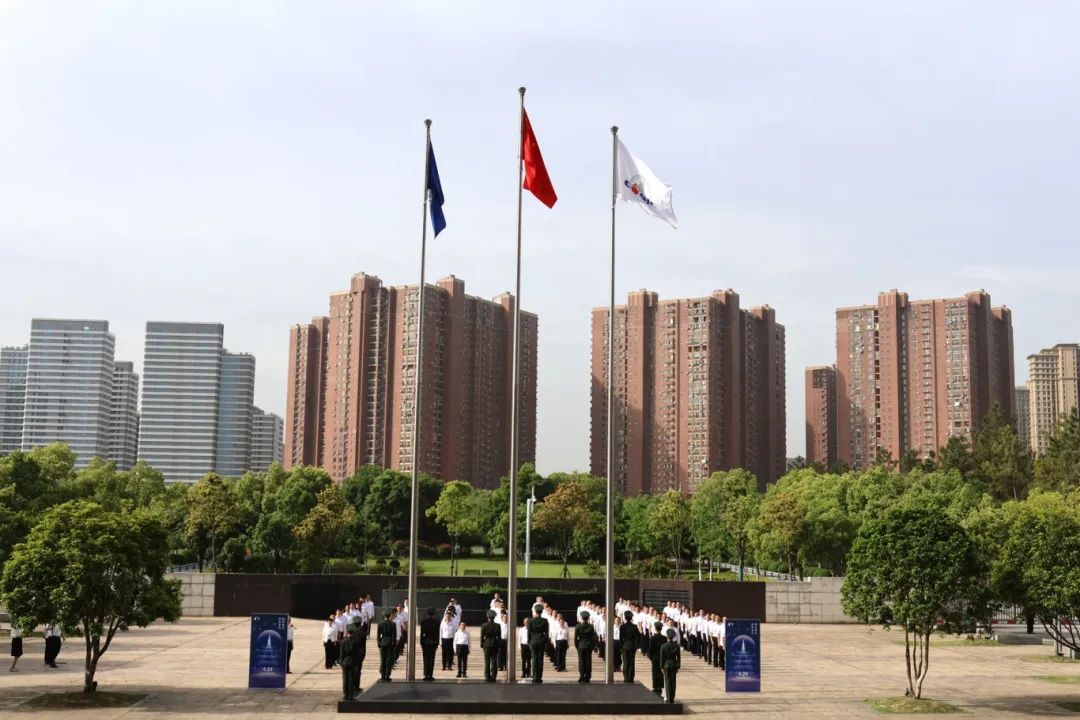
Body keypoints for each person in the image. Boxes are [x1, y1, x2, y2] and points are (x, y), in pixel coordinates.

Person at [339, 619, 361, 701]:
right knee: (351, 678)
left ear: (347, 632)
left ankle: (345, 694)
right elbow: (356, 653)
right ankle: (350, 694)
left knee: (345, 678)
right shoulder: (355, 642)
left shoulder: (343, 641)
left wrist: (341, 662)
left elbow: (341, 653)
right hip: (352, 662)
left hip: (345, 662)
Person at [527, 603, 549, 683]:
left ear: (535, 611)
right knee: (540, 659)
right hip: (541, 640)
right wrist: (545, 641)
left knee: (534, 659)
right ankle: (539, 677)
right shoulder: (545, 621)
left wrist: (529, 641)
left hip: (533, 640)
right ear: (541, 612)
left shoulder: (531, 620)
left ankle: (534, 676)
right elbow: (546, 633)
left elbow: (529, 633)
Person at [574, 610, 596, 683]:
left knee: (581, 661)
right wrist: (592, 646)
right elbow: (593, 638)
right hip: (588, 645)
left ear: (582, 618)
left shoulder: (578, 626)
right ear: (588, 618)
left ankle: (582, 675)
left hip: (581, 645)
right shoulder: (591, 626)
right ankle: (587, 676)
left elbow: (575, 638)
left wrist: (577, 646)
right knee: (588, 662)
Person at [419, 608, 440, 682]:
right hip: (433, 642)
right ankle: (430, 675)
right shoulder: (437, 622)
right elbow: (437, 633)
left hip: (425, 642)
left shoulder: (424, 622)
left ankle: (426, 674)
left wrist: (421, 642)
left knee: (425, 659)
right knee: (432, 659)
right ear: (433, 614)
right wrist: (437, 642)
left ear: (427, 614)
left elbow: (422, 633)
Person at [480, 610, 501, 682]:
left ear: (488, 617)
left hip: (487, 644)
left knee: (487, 661)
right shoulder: (497, 626)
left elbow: (482, 636)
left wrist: (482, 644)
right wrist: (498, 644)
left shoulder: (484, 625)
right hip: (495, 644)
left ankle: (487, 677)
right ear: (494, 617)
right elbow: (499, 637)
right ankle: (494, 677)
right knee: (494, 661)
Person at [661, 628, 680, 704]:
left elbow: (662, 658)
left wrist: (661, 666)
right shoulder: (676, 646)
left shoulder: (663, 646)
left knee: (667, 682)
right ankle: (672, 698)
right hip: (673, 664)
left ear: (667, 637)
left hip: (666, 665)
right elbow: (678, 658)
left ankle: (668, 697)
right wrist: (678, 666)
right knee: (673, 682)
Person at [377, 610, 396, 681]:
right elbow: (394, 635)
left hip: (383, 642)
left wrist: (379, 643)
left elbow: (378, 635)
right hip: (390, 642)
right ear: (389, 616)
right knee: (388, 660)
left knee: (383, 659)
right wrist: (393, 644)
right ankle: (387, 675)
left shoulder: (380, 624)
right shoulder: (393, 624)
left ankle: (382, 675)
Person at [620, 610, 639, 683]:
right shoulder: (634, 626)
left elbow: (621, 638)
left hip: (625, 645)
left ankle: (626, 678)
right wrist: (636, 646)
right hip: (632, 645)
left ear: (625, 618)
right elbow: (637, 636)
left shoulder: (622, 627)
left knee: (625, 662)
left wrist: (621, 647)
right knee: (631, 663)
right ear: (631, 618)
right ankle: (631, 678)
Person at [648, 621, 665, 696]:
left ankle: (655, 686)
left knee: (655, 672)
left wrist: (651, 657)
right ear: (661, 629)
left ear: (655, 629)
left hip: (655, 657)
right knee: (661, 672)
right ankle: (660, 686)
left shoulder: (653, 638)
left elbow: (650, 649)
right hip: (662, 657)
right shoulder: (664, 638)